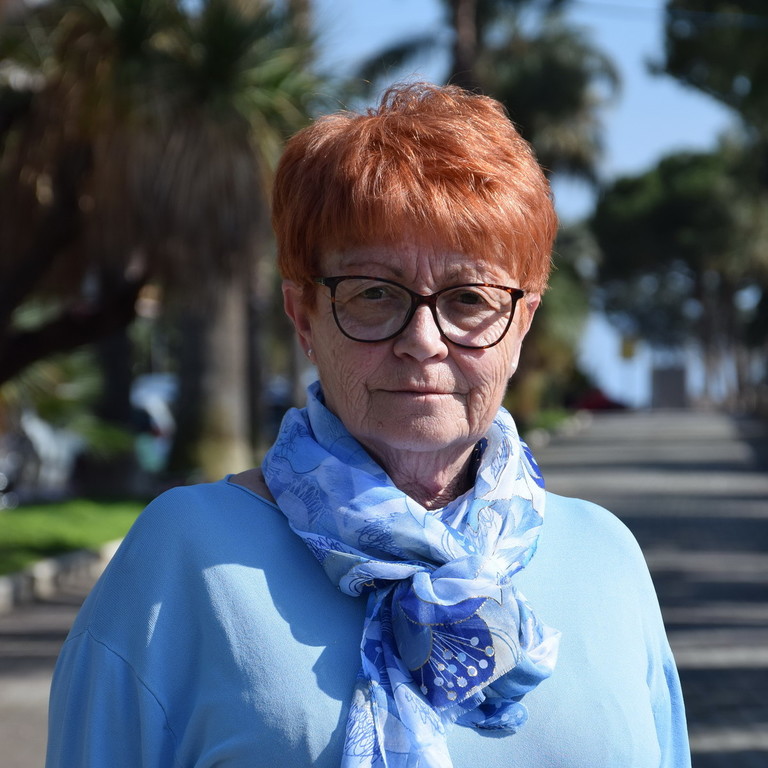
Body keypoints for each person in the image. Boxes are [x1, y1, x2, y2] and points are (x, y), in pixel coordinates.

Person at [46, 83, 690, 768]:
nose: (423, 340)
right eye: (374, 293)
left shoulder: (606, 558)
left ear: (522, 322)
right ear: (303, 317)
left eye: (469, 298)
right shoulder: (182, 559)